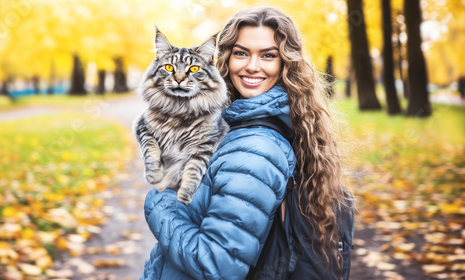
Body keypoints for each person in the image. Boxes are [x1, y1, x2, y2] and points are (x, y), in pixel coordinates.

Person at [141, 7, 353, 279]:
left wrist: (160, 199)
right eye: (241, 53)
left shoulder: (255, 150)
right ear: (226, 59)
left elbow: (215, 265)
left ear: (285, 63)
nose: (252, 66)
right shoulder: (250, 123)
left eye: (268, 55)